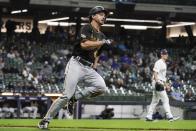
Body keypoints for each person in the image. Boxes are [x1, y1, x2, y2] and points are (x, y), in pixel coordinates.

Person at [38, 6, 113, 129]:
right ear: (93, 16)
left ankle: (75, 98)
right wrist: (102, 42)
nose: (103, 16)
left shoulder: (102, 36)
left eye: (104, 15)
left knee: (101, 87)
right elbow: (85, 45)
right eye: (100, 14)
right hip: (76, 64)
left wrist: (94, 65)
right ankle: (45, 120)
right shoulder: (87, 28)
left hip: (89, 67)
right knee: (66, 95)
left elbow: (98, 54)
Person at [145, 49, 180, 122]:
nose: (166, 55)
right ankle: (170, 117)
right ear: (161, 55)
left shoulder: (164, 63)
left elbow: (162, 77)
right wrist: (158, 82)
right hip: (157, 82)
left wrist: (166, 85)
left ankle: (149, 116)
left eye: (167, 54)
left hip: (159, 82)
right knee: (165, 99)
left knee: (155, 101)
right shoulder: (159, 62)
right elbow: (155, 72)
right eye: (165, 54)